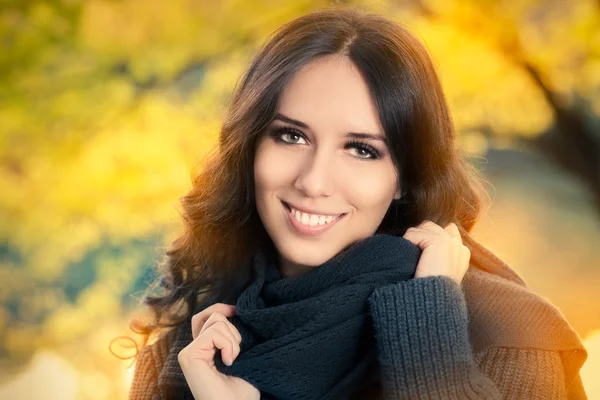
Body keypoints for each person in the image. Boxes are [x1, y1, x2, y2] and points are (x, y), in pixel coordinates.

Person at [124, 7, 588, 400]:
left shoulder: (506, 337)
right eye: (291, 136)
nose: (314, 181)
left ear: (405, 176)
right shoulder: (183, 355)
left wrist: (428, 344)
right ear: (249, 148)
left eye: (362, 149)